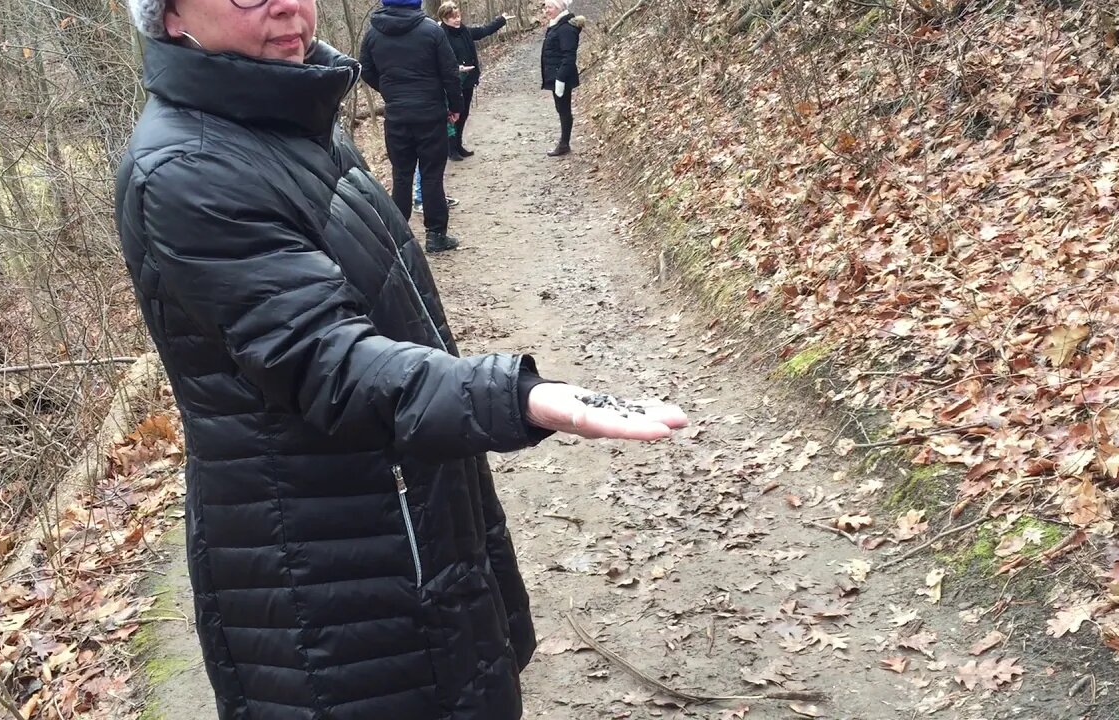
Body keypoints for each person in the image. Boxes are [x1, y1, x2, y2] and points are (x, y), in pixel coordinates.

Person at [116, 2, 689, 719]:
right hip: (323, 567)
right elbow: (329, 363)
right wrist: (516, 397)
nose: (286, 3)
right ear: (168, 17)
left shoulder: (291, 117)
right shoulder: (187, 169)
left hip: (406, 509)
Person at [360, 0, 463, 252]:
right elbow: (449, 72)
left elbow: (366, 69)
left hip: (397, 116)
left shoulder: (374, 33)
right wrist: (455, 106)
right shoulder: (431, 30)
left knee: (402, 175)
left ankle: (397, 237)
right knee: (431, 175)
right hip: (430, 113)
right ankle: (436, 236)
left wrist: (390, 91)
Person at [437, 1, 513, 159]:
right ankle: (451, 150)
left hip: (468, 79)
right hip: (451, 82)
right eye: (452, 17)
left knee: (463, 113)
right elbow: (439, 61)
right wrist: (456, 69)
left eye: (458, 16)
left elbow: (484, 30)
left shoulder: (465, 31)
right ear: (444, 18)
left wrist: (501, 20)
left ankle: (458, 145)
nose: (457, 20)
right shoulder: (440, 35)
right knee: (452, 114)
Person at [540, 0, 583, 157]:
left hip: (562, 76)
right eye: (546, 7)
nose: (547, 10)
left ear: (559, 8)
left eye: (550, 7)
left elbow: (569, 56)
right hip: (556, 75)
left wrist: (560, 79)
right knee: (561, 109)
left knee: (564, 110)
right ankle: (564, 142)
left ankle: (564, 144)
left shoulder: (565, 28)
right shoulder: (556, 24)